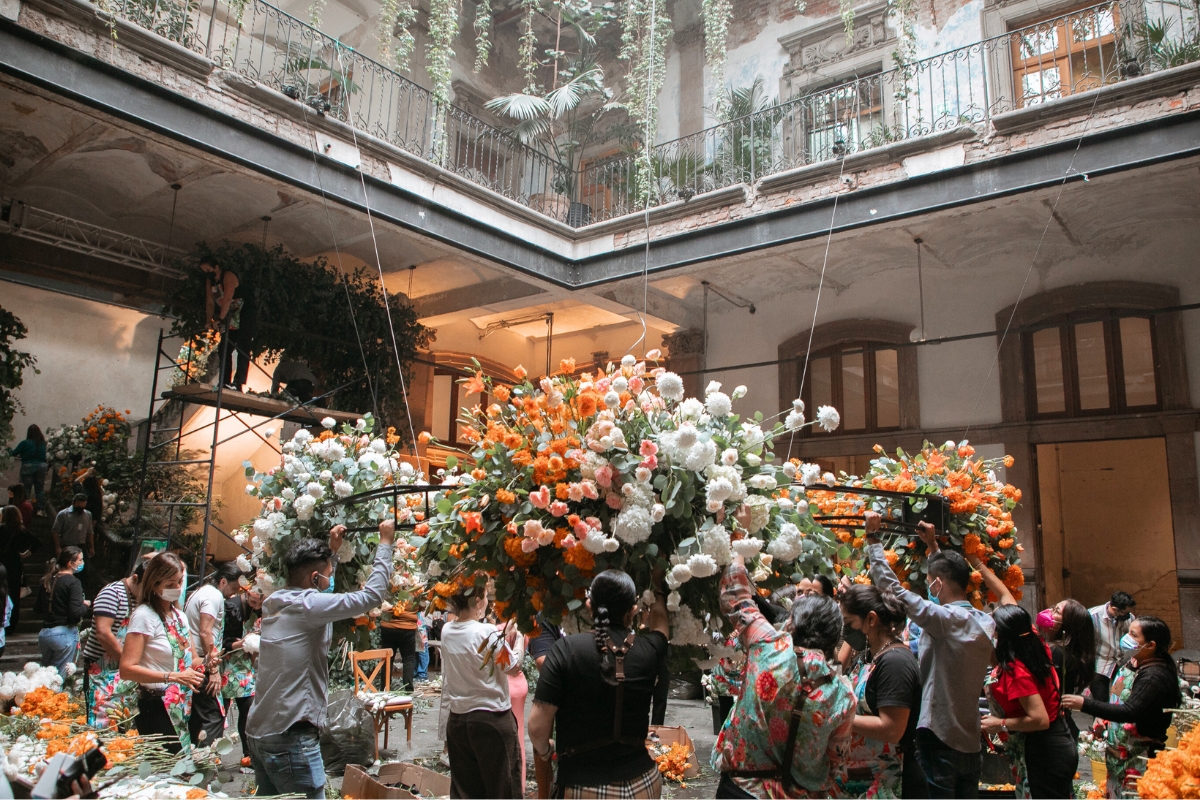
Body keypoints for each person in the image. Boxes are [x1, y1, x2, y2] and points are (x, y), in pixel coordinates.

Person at [245, 520, 396, 799]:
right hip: (290, 735)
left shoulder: (276, 601)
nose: (330, 581)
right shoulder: (308, 606)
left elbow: (320, 594)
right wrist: (385, 544)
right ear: (315, 578)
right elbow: (372, 596)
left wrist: (333, 553)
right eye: (327, 575)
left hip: (260, 732)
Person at [863, 511, 995, 799]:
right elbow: (941, 602)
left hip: (940, 736)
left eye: (931, 580)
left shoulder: (944, 621)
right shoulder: (985, 622)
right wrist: (933, 546)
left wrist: (873, 539)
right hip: (971, 739)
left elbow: (892, 589)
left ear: (937, 584)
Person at [713, 553, 855, 798]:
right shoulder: (843, 696)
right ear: (833, 637)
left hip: (740, 789)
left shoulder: (766, 647)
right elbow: (837, 765)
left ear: (791, 624)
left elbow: (733, 595)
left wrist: (739, 552)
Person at [530, 570, 669, 799]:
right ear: (632, 610)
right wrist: (658, 585)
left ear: (589, 605)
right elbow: (661, 623)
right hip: (643, 783)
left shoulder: (566, 650)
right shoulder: (650, 649)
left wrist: (546, 753)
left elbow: (536, 727)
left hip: (583, 788)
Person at [1064, 616, 1181, 798]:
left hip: (1139, 758)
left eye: (1133, 635)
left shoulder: (1154, 677)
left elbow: (1130, 711)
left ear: (1150, 645)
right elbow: (1118, 698)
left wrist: (1085, 704)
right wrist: (1106, 719)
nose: (1126, 638)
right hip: (1118, 756)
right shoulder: (1134, 662)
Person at [980, 605, 1077, 799]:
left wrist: (1000, 724)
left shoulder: (1018, 673)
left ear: (1001, 635)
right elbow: (1008, 600)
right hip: (1053, 741)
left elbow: (1040, 720)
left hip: (1045, 750)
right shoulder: (1031, 641)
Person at [840, 583, 927, 799]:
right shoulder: (870, 655)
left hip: (891, 779)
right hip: (863, 776)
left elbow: (891, 729)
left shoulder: (895, 662)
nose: (847, 630)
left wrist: (837, 717)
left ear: (871, 619)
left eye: (849, 622)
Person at [441, 579, 526, 799]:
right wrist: (519, 641)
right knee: (504, 788)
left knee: (465, 791)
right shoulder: (487, 632)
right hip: (491, 720)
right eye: (486, 598)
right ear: (478, 601)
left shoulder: (447, 630)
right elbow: (513, 667)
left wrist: (502, 637)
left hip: (459, 721)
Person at [120, 552, 203, 754]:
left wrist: (209, 662)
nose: (177, 589)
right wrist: (172, 676)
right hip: (155, 706)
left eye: (179, 582)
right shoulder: (144, 616)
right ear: (154, 585)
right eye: (169, 584)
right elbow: (127, 669)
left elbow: (192, 658)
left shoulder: (179, 616)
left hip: (181, 704)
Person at [81, 561, 145, 729]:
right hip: (101, 672)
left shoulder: (140, 598)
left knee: (125, 725)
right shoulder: (112, 592)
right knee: (104, 726)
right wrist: (127, 660)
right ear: (136, 578)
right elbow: (103, 632)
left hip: (125, 674)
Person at [186, 561, 242, 746]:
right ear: (223, 582)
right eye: (233, 588)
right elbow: (205, 632)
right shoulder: (214, 596)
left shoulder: (203, 592)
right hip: (203, 661)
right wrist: (214, 671)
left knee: (200, 715)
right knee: (214, 716)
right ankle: (206, 764)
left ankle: (198, 762)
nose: (233, 594)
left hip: (198, 660)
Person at [201, 260, 256, 391]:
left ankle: (238, 382)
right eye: (204, 272)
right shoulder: (210, 282)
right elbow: (210, 302)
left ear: (216, 267)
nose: (207, 274)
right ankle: (224, 381)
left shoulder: (228, 276)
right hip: (230, 315)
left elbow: (227, 298)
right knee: (224, 348)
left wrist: (220, 318)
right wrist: (209, 320)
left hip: (244, 313)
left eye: (209, 271)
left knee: (243, 346)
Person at [1045, 599, 1095, 741]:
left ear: (1067, 625)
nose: (1049, 612)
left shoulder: (1057, 653)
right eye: (1053, 607)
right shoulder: (1064, 652)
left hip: (1054, 729)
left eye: (1057, 611)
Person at [223, 587, 262, 766]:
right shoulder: (232, 607)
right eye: (253, 602)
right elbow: (222, 641)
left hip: (245, 668)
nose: (256, 606)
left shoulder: (260, 610)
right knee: (220, 712)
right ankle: (212, 757)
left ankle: (249, 755)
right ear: (246, 594)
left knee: (248, 711)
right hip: (225, 663)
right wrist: (244, 643)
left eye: (260, 603)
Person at [38, 547, 87, 677]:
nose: (82, 562)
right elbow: (75, 612)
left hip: (44, 633)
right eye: (80, 560)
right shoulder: (73, 582)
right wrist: (85, 605)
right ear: (70, 563)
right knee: (59, 678)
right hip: (64, 633)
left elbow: (37, 608)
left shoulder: (47, 580)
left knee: (44, 676)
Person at [1088, 592, 1136, 701]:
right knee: (1100, 702)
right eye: (1126, 612)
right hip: (1099, 666)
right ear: (1115, 609)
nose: (1129, 615)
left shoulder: (1129, 618)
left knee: (1119, 698)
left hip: (1121, 666)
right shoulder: (1092, 616)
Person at [0, 505, 37, 632]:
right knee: (14, 594)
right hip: (15, 564)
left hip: (2, 563)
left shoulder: (1, 529)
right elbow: (37, 543)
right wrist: (26, 553)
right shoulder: (21, 530)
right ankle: (11, 624)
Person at [380, 599, 419, 692]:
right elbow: (420, 606)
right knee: (408, 659)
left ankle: (384, 689)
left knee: (387, 659)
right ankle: (408, 689)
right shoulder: (415, 590)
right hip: (407, 627)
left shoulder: (390, 586)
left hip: (388, 626)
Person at [9, 425, 47, 515]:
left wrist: (8, 448)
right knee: (39, 489)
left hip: (28, 466)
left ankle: (25, 508)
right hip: (42, 466)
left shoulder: (25, 443)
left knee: (26, 488)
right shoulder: (43, 443)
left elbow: (13, 453)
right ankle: (41, 510)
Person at [51, 494, 95, 560]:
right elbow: (55, 531)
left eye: (82, 506)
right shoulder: (63, 514)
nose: (80, 508)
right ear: (73, 503)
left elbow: (89, 531)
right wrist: (57, 547)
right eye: (78, 506)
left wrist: (91, 547)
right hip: (67, 545)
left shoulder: (88, 515)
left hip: (81, 545)